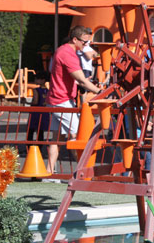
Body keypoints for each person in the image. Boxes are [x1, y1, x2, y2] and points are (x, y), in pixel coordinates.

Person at [47, 26, 102, 168]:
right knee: (80, 136)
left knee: (56, 139)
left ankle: (49, 172)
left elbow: (77, 78)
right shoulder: (67, 53)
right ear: (75, 39)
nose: (86, 45)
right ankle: (84, 170)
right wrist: (100, 92)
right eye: (84, 42)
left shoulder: (63, 51)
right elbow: (82, 81)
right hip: (62, 100)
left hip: (57, 99)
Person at [26, 71, 50, 166]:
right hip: (44, 112)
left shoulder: (36, 90)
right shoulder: (48, 91)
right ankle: (40, 148)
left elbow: (35, 101)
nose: (35, 80)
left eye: (37, 78)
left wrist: (28, 103)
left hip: (36, 112)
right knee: (40, 132)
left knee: (31, 130)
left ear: (42, 80)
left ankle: (29, 147)